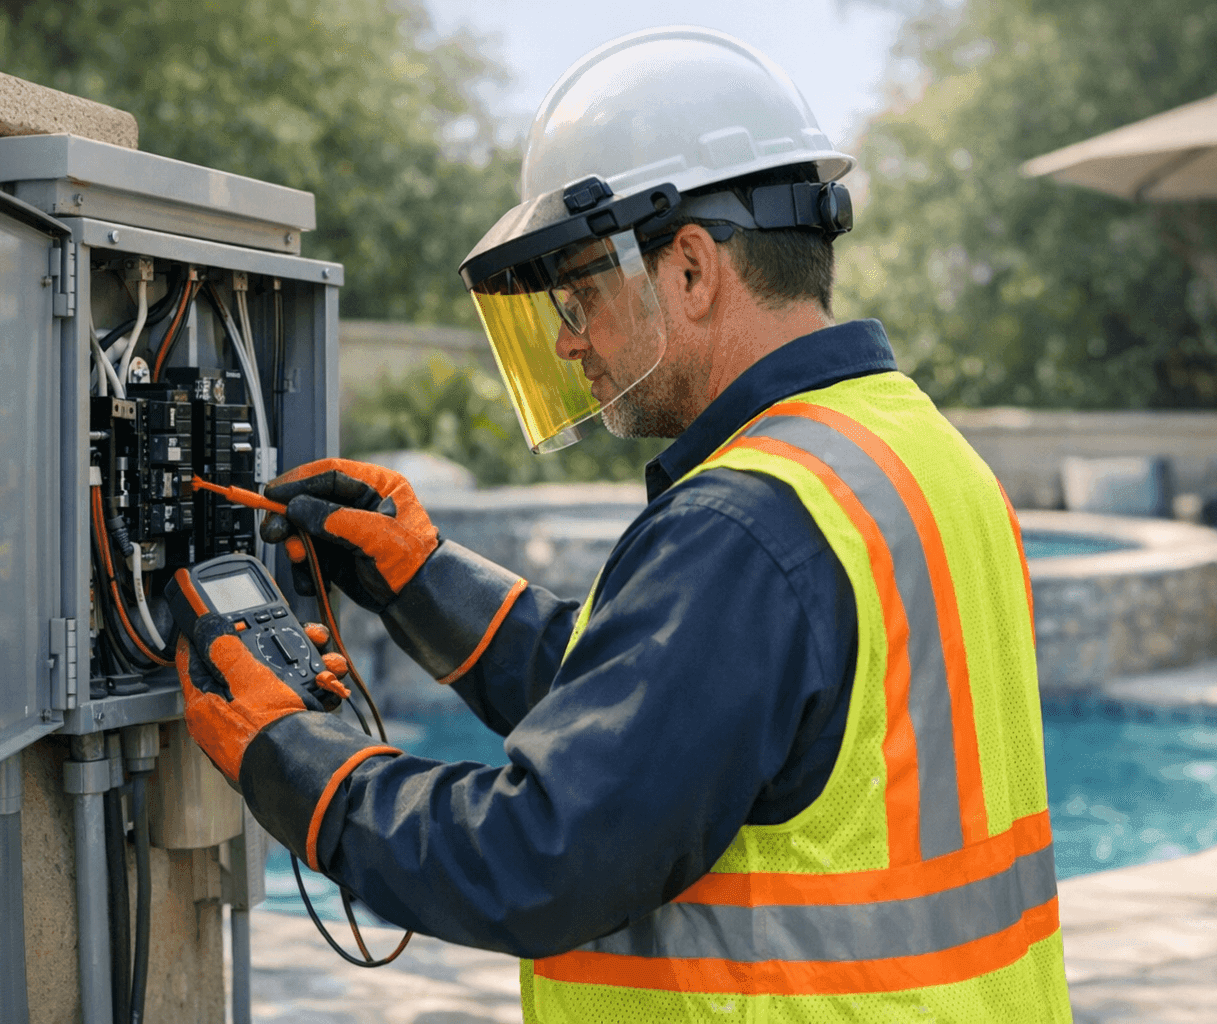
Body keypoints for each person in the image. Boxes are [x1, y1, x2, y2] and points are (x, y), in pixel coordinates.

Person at [178, 25, 1074, 1023]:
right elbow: (678, 718)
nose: (566, 340)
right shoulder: (914, 452)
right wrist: (423, 578)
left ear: (691, 269)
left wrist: (297, 764)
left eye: (580, 294)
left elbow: (541, 854)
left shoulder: (748, 522)